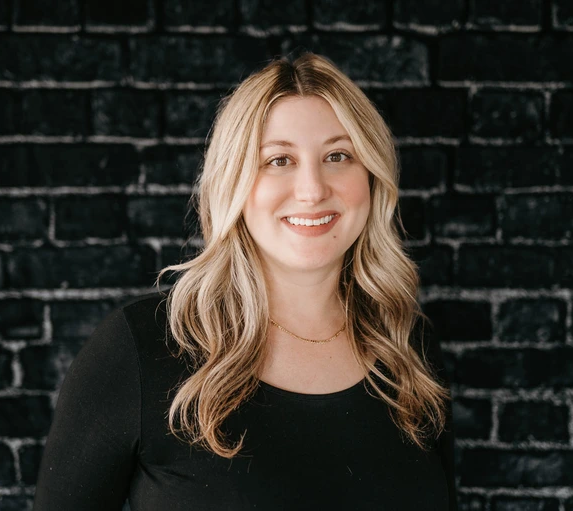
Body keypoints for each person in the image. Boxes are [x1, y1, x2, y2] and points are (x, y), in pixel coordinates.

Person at [32, 52, 456, 510]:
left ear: (371, 177)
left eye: (338, 155)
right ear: (234, 180)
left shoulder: (407, 346)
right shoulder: (142, 351)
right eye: (278, 160)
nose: (312, 189)